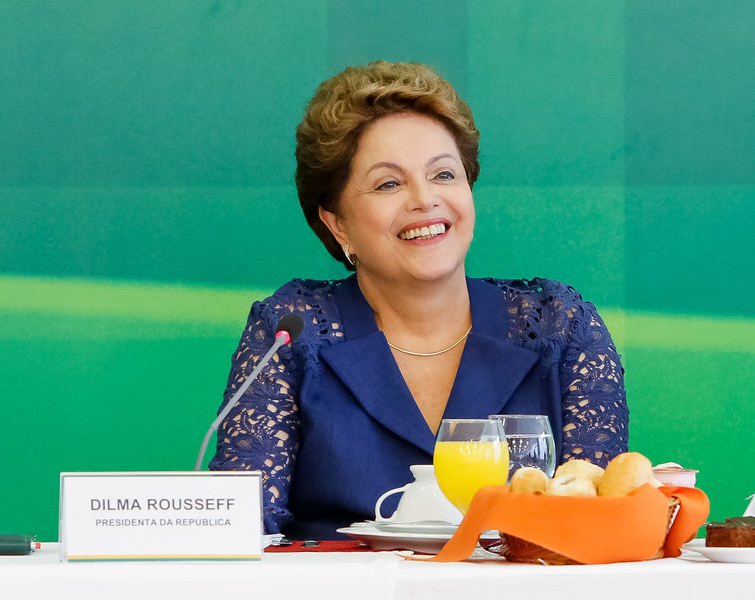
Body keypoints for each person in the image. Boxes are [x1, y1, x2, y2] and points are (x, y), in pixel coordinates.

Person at [209, 61, 628, 540]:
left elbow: (597, 526)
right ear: (337, 223)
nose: (424, 199)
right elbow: (238, 530)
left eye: (444, 174)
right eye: (389, 183)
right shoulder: (291, 331)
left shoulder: (560, 327)